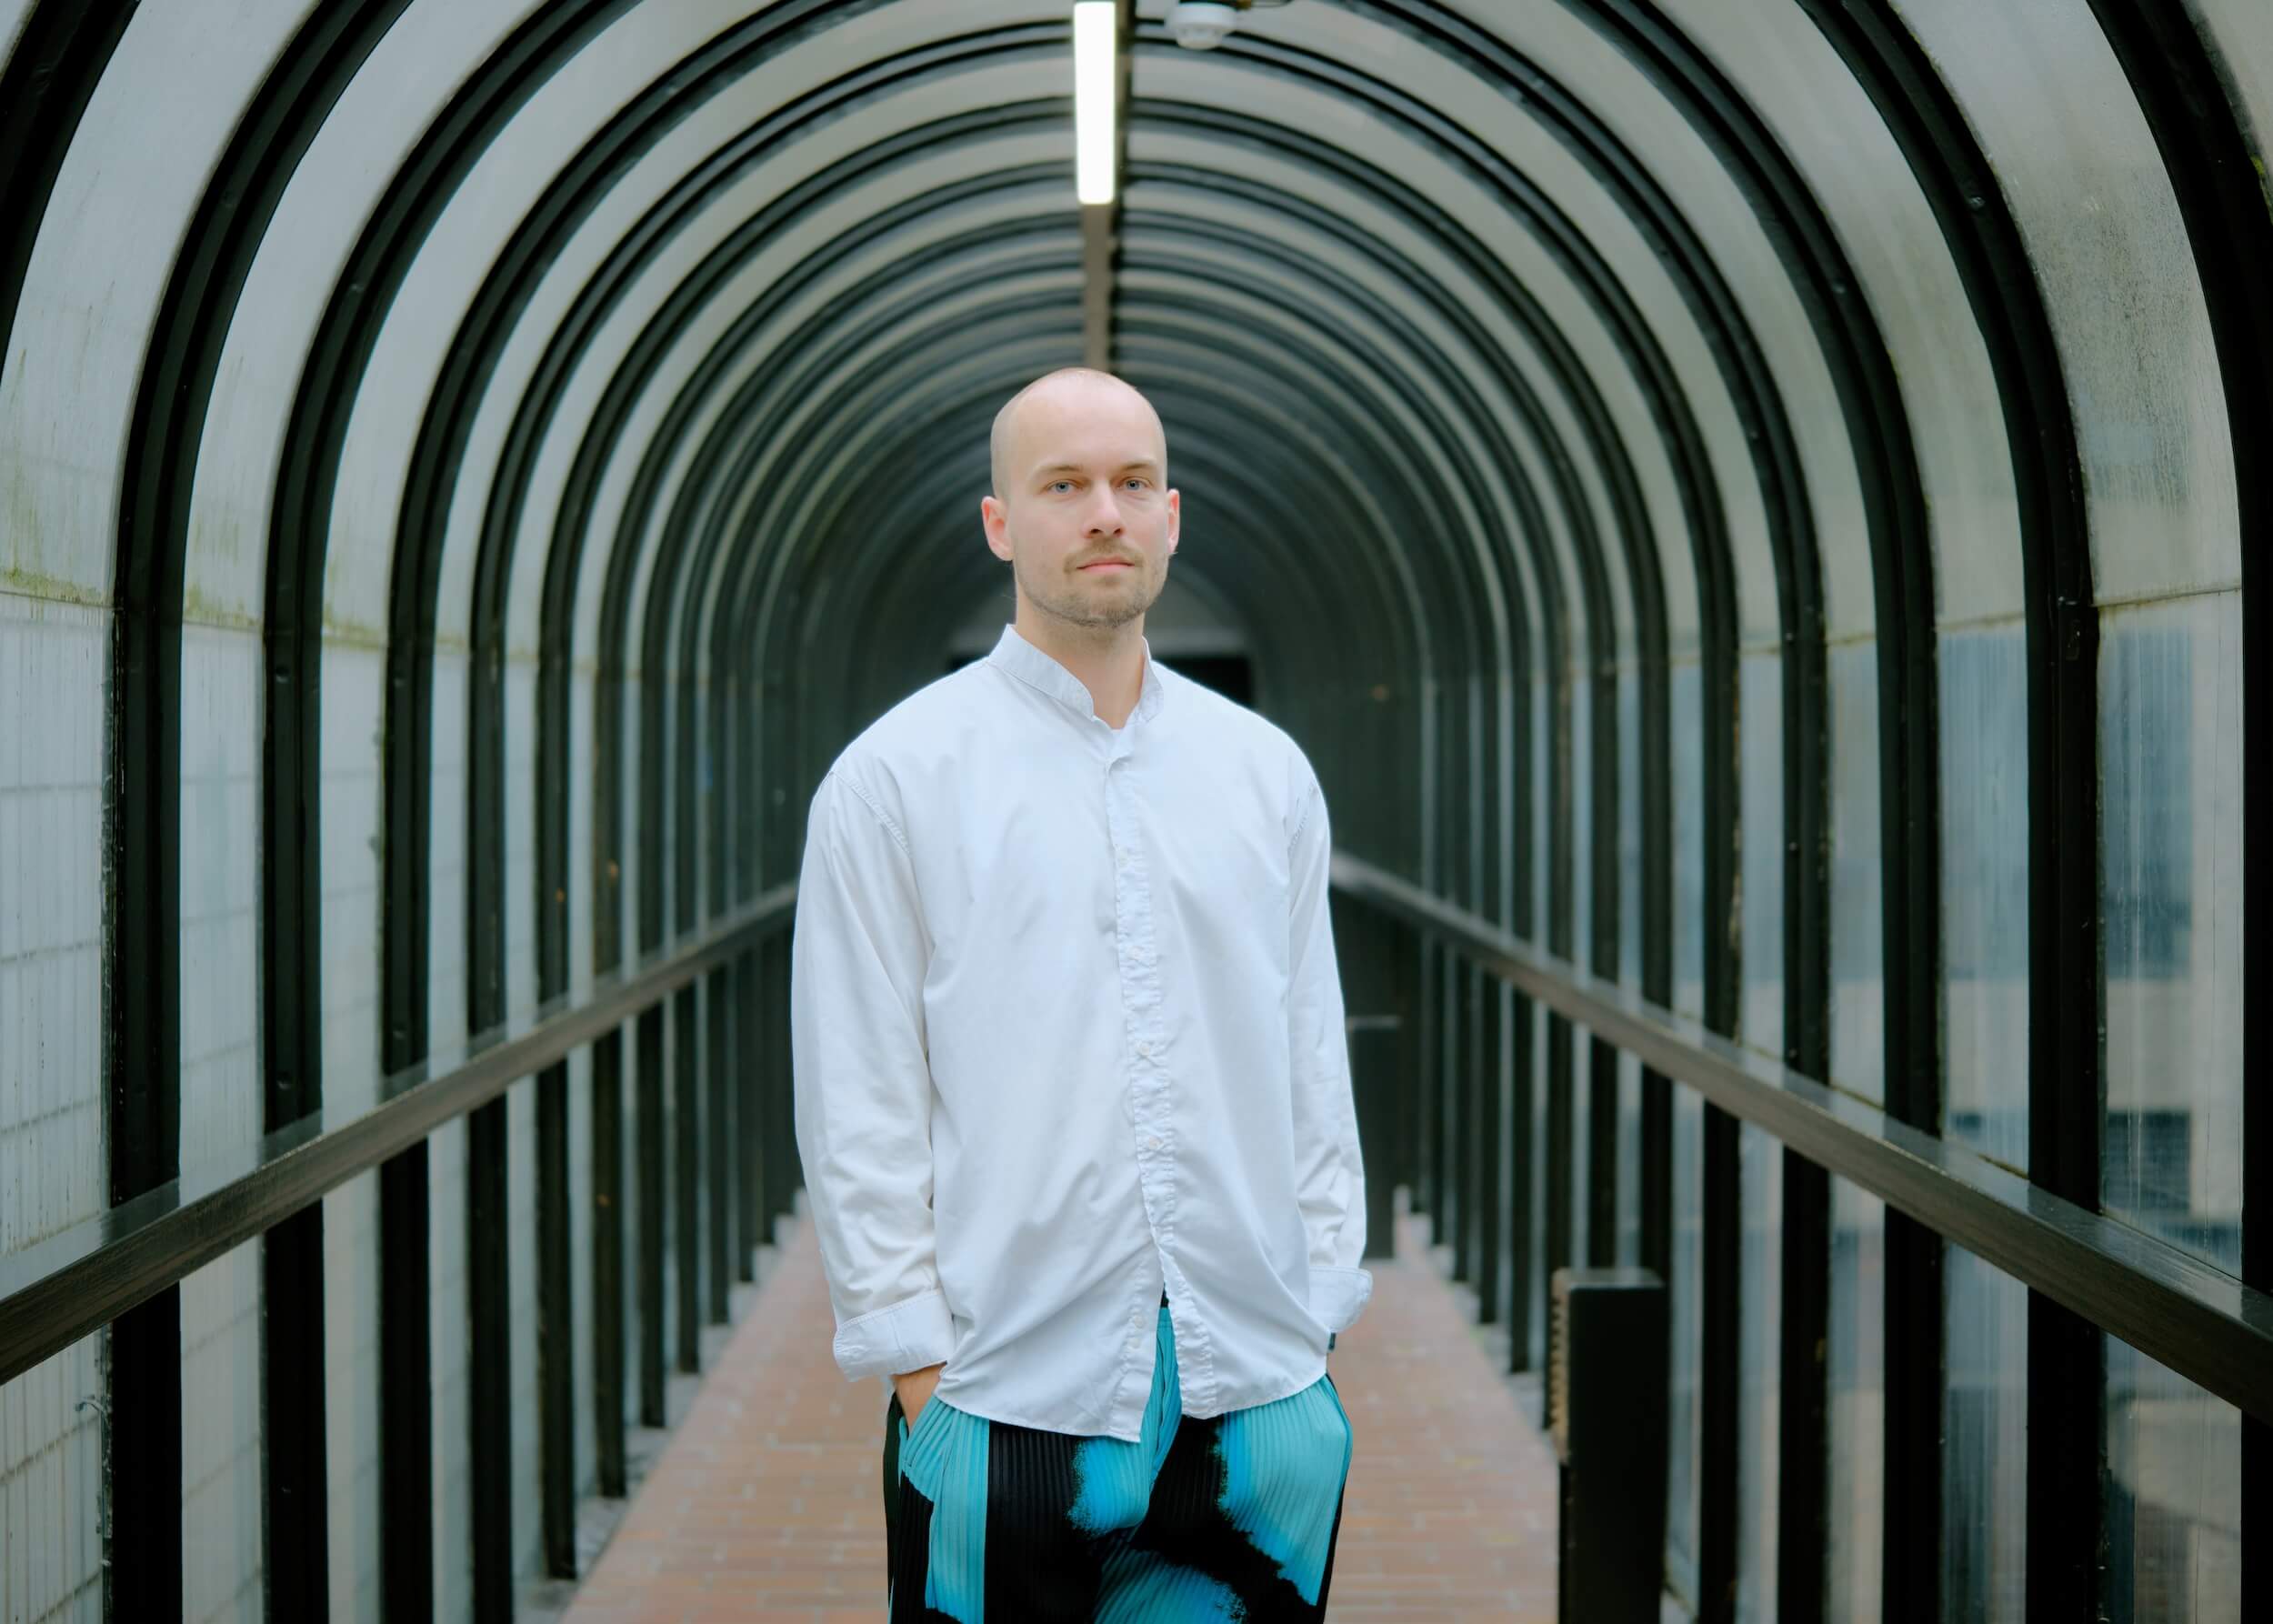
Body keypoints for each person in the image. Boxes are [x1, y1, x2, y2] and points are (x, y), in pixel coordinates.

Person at [790, 367, 1370, 1621]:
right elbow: (859, 1099)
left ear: (1172, 514)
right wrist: (921, 1379)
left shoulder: (1264, 775)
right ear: (1001, 522)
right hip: (1003, 1402)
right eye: (1064, 485)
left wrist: (1319, 1317)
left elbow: (1310, 1060)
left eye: (1132, 482)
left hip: (1257, 1393)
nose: (1104, 511)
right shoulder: (893, 782)